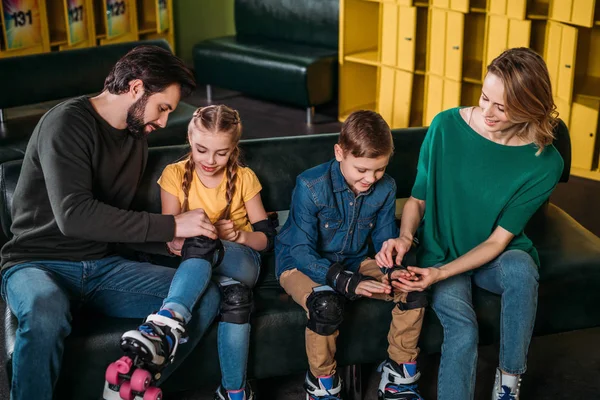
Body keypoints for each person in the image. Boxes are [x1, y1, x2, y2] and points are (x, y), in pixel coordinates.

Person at [0, 45, 223, 400]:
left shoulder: (136, 140)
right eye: (163, 108)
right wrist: (172, 226)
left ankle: (124, 389)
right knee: (44, 310)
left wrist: (168, 244)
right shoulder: (67, 122)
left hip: (103, 267)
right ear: (136, 88)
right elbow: (74, 216)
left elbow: (115, 219)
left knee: (204, 296)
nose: (164, 122)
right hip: (38, 262)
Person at [376, 47, 564, 400]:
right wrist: (405, 237)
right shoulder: (445, 126)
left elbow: (497, 242)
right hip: (442, 251)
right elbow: (417, 199)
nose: (487, 113)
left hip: (495, 254)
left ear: (529, 107)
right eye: (484, 97)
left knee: (522, 270)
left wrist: (441, 276)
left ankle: (508, 383)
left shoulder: (544, 162)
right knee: (463, 330)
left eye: (502, 107)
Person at [275, 110, 427, 400]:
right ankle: (322, 386)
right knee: (326, 306)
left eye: (379, 169)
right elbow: (302, 251)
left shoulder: (387, 187)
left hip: (355, 258)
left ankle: (398, 376)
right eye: (361, 170)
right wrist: (347, 281)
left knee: (412, 289)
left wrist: (392, 268)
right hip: (299, 264)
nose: (371, 178)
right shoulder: (309, 185)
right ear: (339, 153)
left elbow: (383, 240)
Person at [134, 104, 274, 400]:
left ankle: (168, 323)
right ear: (189, 140)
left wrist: (239, 235)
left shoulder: (245, 178)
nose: (210, 160)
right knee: (236, 299)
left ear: (234, 148)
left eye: (221, 153)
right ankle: (235, 391)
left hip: (242, 262)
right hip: (201, 266)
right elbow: (171, 239)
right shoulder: (174, 175)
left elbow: (266, 239)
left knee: (204, 244)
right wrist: (183, 237)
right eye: (201, 150)